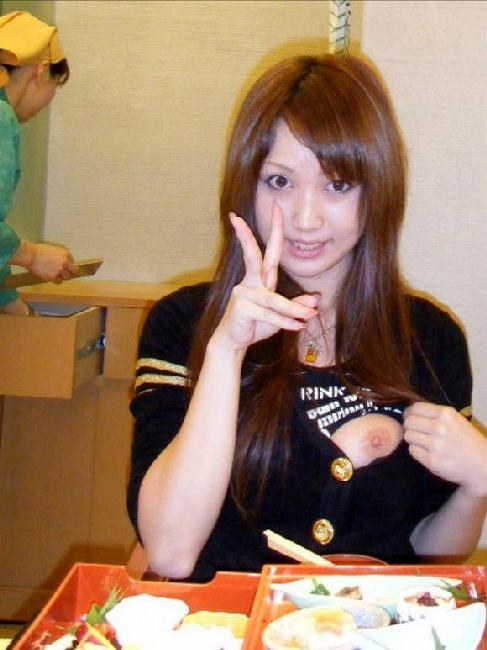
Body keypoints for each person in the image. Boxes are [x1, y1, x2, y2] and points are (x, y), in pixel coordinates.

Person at [127, 53, 487, 581]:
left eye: (337, 185)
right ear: (246, 184)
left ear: (377, 191)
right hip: (227, 621)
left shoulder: (431, 338)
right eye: (279, 181)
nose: (305, 218)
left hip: (370, 622)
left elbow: (426, 551)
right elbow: (170, 553)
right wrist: (226, 352)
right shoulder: (184, 324)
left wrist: (479, 483)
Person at [0, 11, 78, 316]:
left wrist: (19, 311)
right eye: (54, 88)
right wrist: (32, 256)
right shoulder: (2, 117)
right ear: (41, 71)